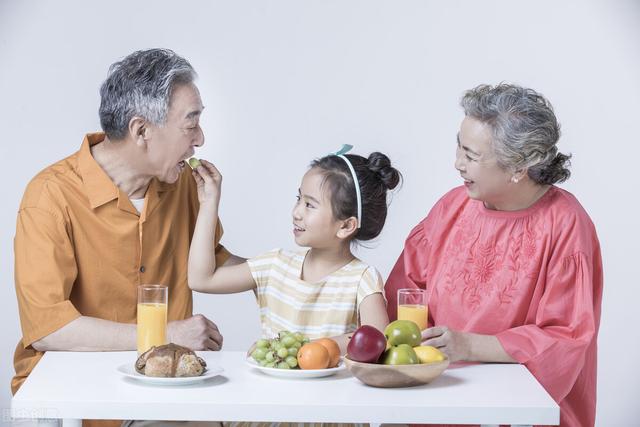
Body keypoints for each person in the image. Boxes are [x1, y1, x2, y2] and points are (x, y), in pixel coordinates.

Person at [12, 49, 243, 427]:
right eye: (191, 124)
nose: (200, 139)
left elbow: (211, 262)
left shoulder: (183, 183)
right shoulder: (49, 196)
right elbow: (49, 328)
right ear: (141, 131)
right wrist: (166, 333)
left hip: (161, 388)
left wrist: (292, 269)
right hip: (70, 392)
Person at [384, 84, 602, 427]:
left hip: (514, 409)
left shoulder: (565, 226)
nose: (457, 163)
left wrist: (469, 346)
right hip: (437, 398)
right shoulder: (451, 207)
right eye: (459, 146)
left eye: (471, 156)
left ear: (518, 166)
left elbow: (565, 339)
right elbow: (404, 293)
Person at [188, 147, 400, 352]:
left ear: (345, 226)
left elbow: (378, 338)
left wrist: (306, 348)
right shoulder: (275, 265)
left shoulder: (362, 278)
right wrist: (208, 203)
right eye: (299, 198)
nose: (296, 212)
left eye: (310, 205)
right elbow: (201, 279)